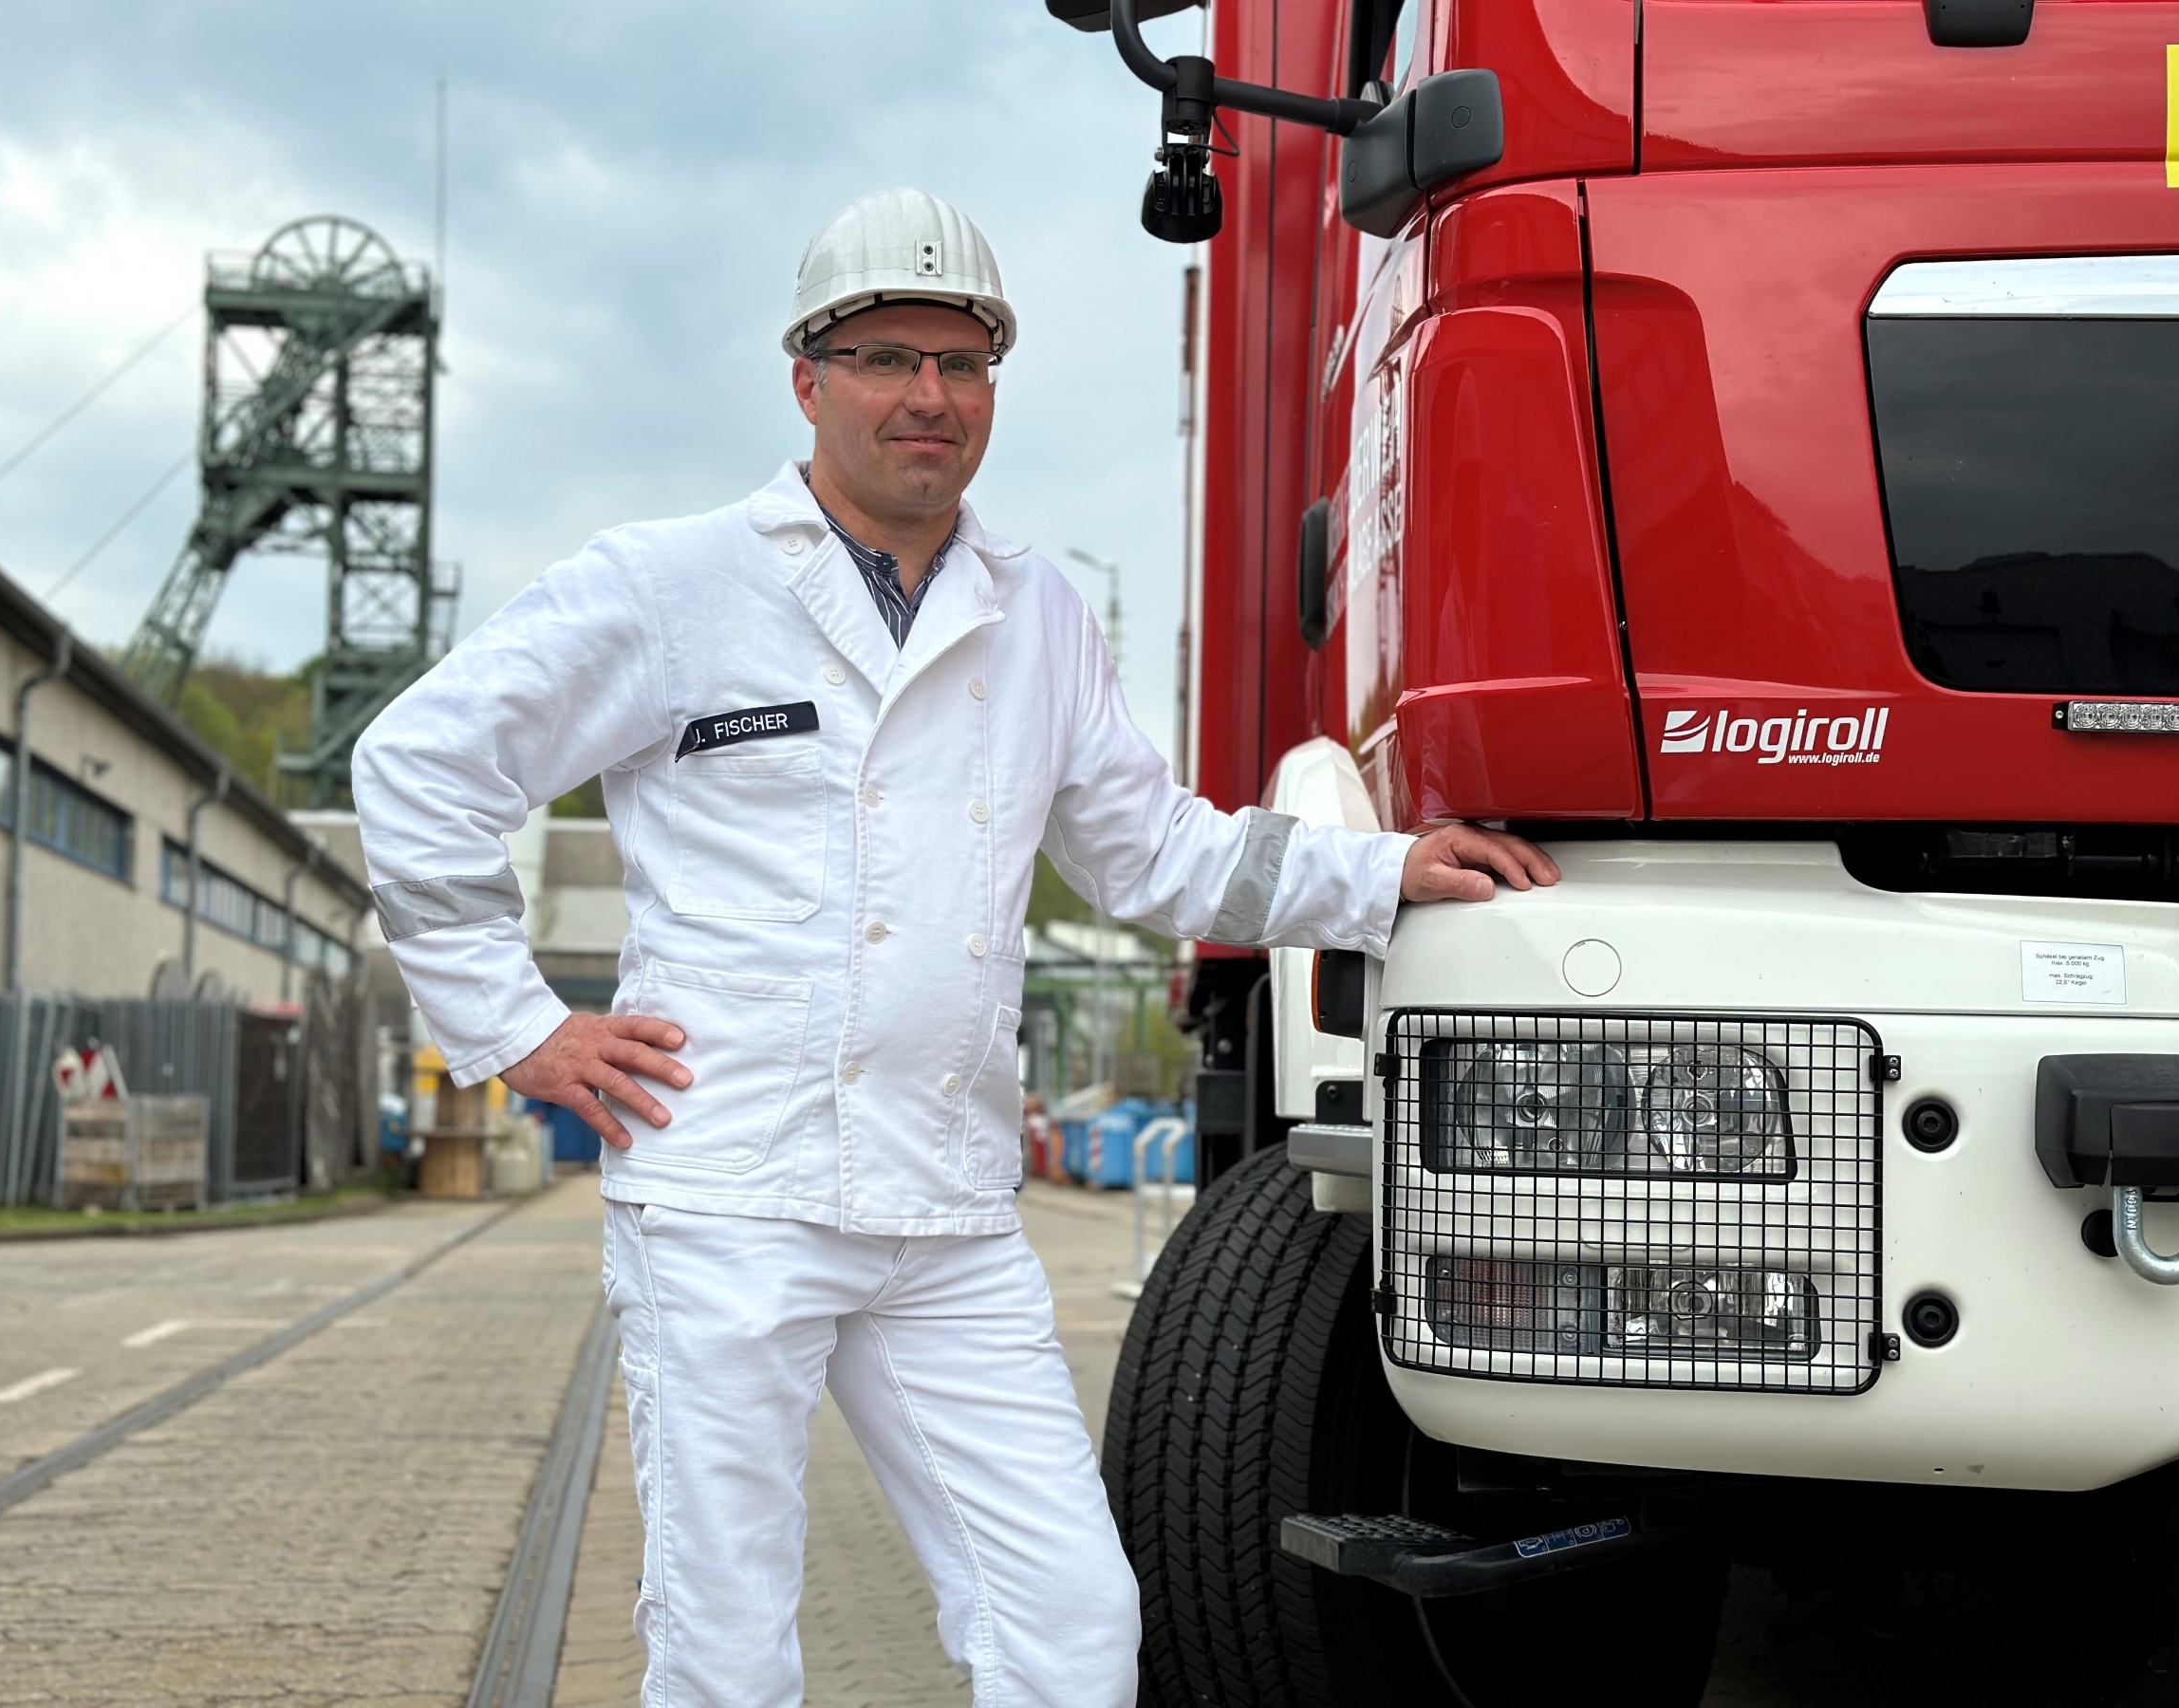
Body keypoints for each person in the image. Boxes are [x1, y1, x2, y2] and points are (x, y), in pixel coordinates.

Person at [351, 187, 1558, 1708]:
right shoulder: (675, 586)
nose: (928, 395)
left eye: (963, 360)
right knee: (724, 1646)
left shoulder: (1034, 610)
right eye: (884, 357)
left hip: (946, 1207)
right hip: (730, 1189)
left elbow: (1154, 848)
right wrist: (518, 1025)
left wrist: (1385, 876)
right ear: (808, 377)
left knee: (1068, 1623)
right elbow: (421, 766)